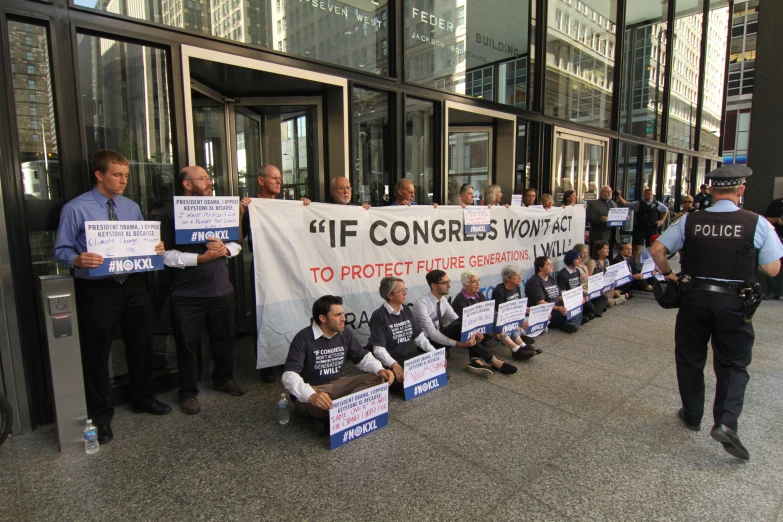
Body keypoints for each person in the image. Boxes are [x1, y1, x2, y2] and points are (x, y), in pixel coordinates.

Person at [650, 164, 783, 460]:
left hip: (694, 299)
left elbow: (658, 250)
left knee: (689, 357)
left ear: (710, 190)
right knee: (734, 364)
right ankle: (725, 422)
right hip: (734, 303)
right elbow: (772, 268)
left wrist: (670, 275)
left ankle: (692, 415)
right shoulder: (756, 223)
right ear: (741, 190)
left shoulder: (690, 220)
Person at [53, 150, 171, 444]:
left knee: (141, 342)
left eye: (126, 175)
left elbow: (142, 243)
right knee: (97, 351)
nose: (123, 181)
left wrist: (155, 248)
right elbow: (61, 251)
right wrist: (78, 260)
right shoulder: (75, 208)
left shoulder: (131, 207)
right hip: (98, 287)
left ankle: (144, 397)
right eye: (117, 175)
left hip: (133, 283)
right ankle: (100, 415)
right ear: (99, 175)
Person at [159, 166, 248, 415]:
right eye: (204, 179)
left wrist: (225, 250)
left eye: (209, 178)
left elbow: (236, 243)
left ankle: (223, 378)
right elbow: (164, 255)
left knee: (223, 338)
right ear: (187, 184)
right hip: (186, 294)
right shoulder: (169, 214)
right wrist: (201, 259)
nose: (209, 183)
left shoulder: (219, 209)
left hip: (221, 289)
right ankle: (187, 392)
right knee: (187, 345)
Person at [240, 164, 310, 383]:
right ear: (261, 181)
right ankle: (267, 362)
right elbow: (236, 240)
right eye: (274, 178)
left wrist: (305, 208)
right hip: (263, 266)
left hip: (287, 265)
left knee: (286, 308)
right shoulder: (252, 205)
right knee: (264, 311)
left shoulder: (285, 206)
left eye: (280, 178)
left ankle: (285, 357)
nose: (279, 182)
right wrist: (241, 213)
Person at [282, 295, 395, 430]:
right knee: (309, 401)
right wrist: (311, 395)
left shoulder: (344, 333)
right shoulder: (303, 338)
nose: (344, 319)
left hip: (339, 384)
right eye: (337, 315)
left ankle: (338, 414)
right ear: (322, 318)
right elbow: (289, 375)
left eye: (343, 314)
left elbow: (362, 357)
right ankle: (342, 413)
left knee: (378, 378)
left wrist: (380, 369)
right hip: (316, 389)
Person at [368, 277, 438, 392]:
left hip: (404, 358)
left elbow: (419, 337)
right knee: (398, 381)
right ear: (390, 295)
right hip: (387, 362)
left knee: (431, 365)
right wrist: (394, 365)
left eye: (405, 289)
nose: (405, 293)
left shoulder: (406, 310)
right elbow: (378, 350)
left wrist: (435, 354)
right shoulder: (379, 316)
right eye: (400, 291)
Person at [450, 270, 519, 376]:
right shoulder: (460, 300)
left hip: (480, 331)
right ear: (466, 285)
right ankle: (496, 360)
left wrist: (494, 332)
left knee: (496, 318)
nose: (478, 284)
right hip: (464, 333)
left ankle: (476, 361)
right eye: (474, 282)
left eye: (478, 280)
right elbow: (465, 326)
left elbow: (488, 315)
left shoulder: (479, 295)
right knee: (476, 335)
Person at [413, 270, 484, 362]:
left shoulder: (442, 300)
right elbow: (433, 334)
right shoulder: (421, 304)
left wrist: (474, 333)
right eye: (445, 283)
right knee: (459, 326)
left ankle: (480, 360)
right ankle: (490, 360)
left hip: (440, 335)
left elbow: (457, 319)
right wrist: (458, 344)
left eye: (449, 282)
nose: (449, 285)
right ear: (434, 286)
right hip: (427, 342)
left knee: (463, 324)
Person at [491, 265, 539, 358]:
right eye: (517, 275)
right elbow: (499, 313)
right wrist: (515, 323)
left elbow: (519, 308)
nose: (520, 278)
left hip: (512, 318)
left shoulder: (517, 287)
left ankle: (523, 345)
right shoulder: (499, 290)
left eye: (520, 275)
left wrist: (532, 313)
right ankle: (516, 349)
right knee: (508, 327)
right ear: (508, 278)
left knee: (534, 322)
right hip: (500, 320)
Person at [525, 256, 582, 333]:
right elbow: (541, 302)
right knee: (569, 314)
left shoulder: (550, 278)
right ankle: (573, 323)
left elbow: (559, 296)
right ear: (541, 268)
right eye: (548, 264)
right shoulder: (534, 282)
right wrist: (558, 308)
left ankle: (571, 322)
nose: (551, 266)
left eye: (551, 264)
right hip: (544, 311)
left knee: (576, 307)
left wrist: (572, 301)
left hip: (556, 306)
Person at [617, 188, 669, 265]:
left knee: (653, 247)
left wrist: (662, 220)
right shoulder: (638, 203)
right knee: (637, 247)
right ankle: (635, 263)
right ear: (644, 195)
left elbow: (666, 210)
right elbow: (625, 204)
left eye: (651, 194)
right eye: (648, 194)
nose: (650, 196)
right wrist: (618, 195)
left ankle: (652, 263)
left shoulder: (656, 203)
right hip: (640, 228)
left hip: (652, 228)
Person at [556, 250, 595, 323]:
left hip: (577, 297)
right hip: (569, 299)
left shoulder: (577, 271)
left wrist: (583, 296)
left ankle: (584, 316)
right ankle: (580, 318)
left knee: (591, 307)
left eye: (580, 258)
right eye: (577, 259)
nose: (580, 260)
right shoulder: (562, 274)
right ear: (571, 259)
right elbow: (562, 294)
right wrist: (575, 299)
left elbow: (578, 287)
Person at [586, 240, 627, 307]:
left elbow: (608, 275)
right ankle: (612, 302)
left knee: (612, 289)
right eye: (605, 248)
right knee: (604, 298)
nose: (608, 250)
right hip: (595, 287)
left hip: (604, 286)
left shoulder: (606, 261)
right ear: (598, 251)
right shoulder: (592, 262)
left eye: (608, 248)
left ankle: (608, 301)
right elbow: (589, 278)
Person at [586, 185, 624, 253]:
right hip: (600, 236)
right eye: (607, 192)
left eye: (610, 192)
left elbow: (617, 216)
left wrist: (623, 217)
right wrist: (600, 219)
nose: (609, 193)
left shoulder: (614, 203)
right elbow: (589, 218)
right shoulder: (593, 204)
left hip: (613, 235)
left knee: (610, 256)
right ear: (601, 193)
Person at [574, 243, 608, 317]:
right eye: (583, 253)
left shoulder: (584, 266)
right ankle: (595, 311)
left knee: (604, 297)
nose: (585, 255)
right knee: (589, 305)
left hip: (589, 290)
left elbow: (589, 280)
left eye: (586, 253)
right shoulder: (575, 268)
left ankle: (593, 313)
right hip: (582, 292)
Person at [762, 196, 783, 300]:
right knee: (773, 263)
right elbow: (765, 219)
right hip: (777, 239)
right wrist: (777, 220)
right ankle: (773, 291)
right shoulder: (776, 203)